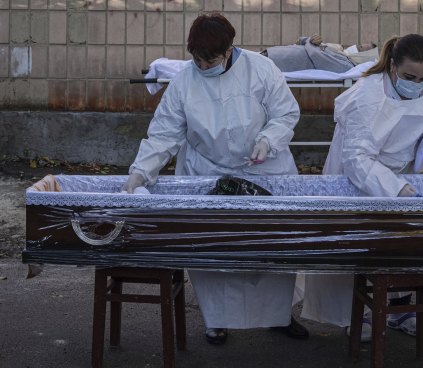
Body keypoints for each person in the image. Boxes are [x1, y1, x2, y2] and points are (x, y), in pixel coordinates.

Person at [122, 12, 308, 345]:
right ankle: (216, 320)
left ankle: (279, 315)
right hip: (207, 171)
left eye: (211, 60)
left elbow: (286, 113)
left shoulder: (261, 69)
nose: (204, 66)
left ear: (229, 50)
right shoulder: (183, 82)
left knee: (271, 244)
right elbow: (164, 134)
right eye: (197, 60)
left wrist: (268, 139)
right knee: (214, 247)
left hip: (263, 167)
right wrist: (140, 171)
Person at [300, 34, 423, 341]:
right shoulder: (366, 98)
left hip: (413, 169)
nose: (418, 83)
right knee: (362, 241)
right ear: (392, 66)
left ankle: (403, 307)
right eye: (409, 77)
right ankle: (358, 313)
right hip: (365, 175)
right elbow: (357, 159)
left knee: (414, 241)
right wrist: (395, 189)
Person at [261, 35, 378, 73]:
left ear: (363, 57)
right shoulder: (342, 53)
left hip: (298, 59)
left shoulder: (346, 65)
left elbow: (319, 57)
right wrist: (309, 39)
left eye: (361, 48)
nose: (357, 46)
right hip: (296, 52)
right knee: (265, 56)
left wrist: (309, 41)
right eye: (360, 45)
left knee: (263, 62)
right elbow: (318, 48)